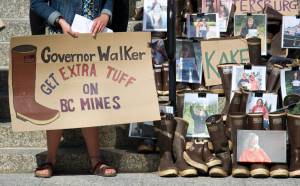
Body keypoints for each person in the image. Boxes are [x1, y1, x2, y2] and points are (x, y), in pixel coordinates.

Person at [31, 0, 116, 177]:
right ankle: (50, 160)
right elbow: (36, 3)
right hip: (62, 37)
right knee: (58, 100)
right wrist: (60, 21)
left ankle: (95, 161)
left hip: (93, 40)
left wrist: (105, 14)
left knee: (89, 97)